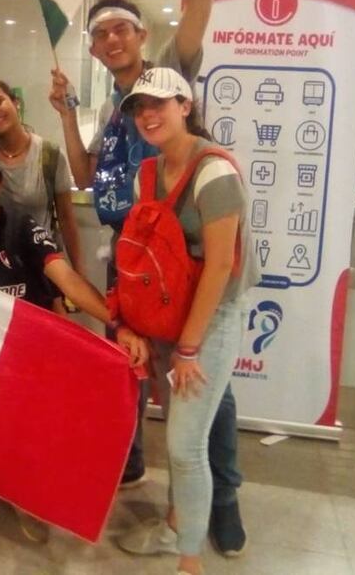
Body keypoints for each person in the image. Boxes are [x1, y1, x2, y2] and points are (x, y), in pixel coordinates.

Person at [50, 0, 248, 557]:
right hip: (135, 258)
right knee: (139, 372)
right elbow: (87, 177)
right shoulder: (116, 109)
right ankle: (148, 477)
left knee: (205, 395)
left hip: (190, 266)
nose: (110, 41)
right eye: (99, 33)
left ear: (139, 37)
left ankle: (222, 502)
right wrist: (64, 112)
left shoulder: (169, 73)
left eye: (120, 30)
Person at [0, 144, 149, 543]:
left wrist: (117, 322)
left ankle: (31, 496)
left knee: (38, 430)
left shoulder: (22, 227)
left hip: (31, 353)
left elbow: (65, 277)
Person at [113, 68, 259, 574]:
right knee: (178, 435)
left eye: (159, 103)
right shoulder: (146, 175)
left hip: (211, 317)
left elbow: (220, 266)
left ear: (185, 105)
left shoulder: (215, 172)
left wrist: (189, 347)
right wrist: (136, 326)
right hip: (167, 314)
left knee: (184, 444)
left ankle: (190, 562)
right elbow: (147, 255)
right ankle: (177, 526)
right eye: (139, 107)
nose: (148, 114)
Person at [0, 79, 84, 291]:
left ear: (16, 103)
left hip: (43, 269)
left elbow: (67, 219)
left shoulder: (49, 155)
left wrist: (79, 275)